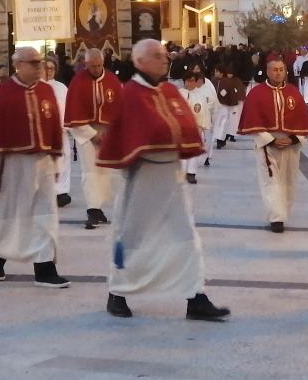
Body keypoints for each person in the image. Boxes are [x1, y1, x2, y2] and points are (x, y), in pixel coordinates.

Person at [97, 39, 230, 321]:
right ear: (139, 62)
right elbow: (123, 136)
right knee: (130, 237)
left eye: (164, 55)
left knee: (186, 236)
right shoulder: (130, 94)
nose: (164, 59)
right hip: (141, 177)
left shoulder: (170, 91)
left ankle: (196, 296)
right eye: (157, 56)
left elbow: (184, 125)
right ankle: (117, 292)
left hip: (171, 175)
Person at [0, 46, 69, 288]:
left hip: (43, 164)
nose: (39, 68)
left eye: (40, 63)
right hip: (10, 165)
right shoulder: (2, 93)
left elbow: (54, 128)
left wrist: (56, 161)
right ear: (18, 65)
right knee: (5, 216)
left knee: (45, 216)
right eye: (34, 63)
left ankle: (45, 269)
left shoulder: (46, 91)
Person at [237, 59, 308, 233]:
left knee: (289, 180)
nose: (278, 73)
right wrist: (270, 140)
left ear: (286, 71)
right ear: (267, 72)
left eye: (281, 70)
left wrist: (293, 139)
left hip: (290, 144)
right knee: (270, 180)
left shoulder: (294, 92)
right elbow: (253, 120)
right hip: (267, 143)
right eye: (274, 70)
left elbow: (302, 120)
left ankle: (283, 212)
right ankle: (276, 218)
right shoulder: (256, 93)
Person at [64, 47, 123, 230]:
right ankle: (92, 209)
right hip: (86, 132)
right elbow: (74, 114)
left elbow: (120, 110)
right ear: (86, 64)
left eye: (99, 65)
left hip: (108, 133)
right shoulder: (78, 82)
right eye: (92, 66)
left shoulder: (112, 80)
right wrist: (92, 134)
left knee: (106, 171)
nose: (96, 69)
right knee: (90, 171)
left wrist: (111, 133)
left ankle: (99, 207)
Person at [42, 57, 74, 208]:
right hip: (43, 132)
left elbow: (68, 107)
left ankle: (61, 192)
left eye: (51, 68)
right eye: (46, 68)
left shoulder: (61, 88)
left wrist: (66, 124)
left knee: (63, 160)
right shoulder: (37, 87)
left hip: (60, 131)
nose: (49, 71)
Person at [178, 72, 214, 184]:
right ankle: (181, 173)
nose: (190, 83)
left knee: (193, 151)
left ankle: (191, 173)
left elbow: (204, 112)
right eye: (188, 81)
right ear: (184, 82)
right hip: (182, 129)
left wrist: (202, 125)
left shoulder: (201, 95)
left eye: (193, 80)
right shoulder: (178, 94)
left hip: (196, 128)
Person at [213, 65, 245, 150]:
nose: (215, 73)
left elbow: (231, 94)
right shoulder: (214, 81)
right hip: (216, 106)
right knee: (217, 124)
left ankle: (221, 140)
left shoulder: (227, 82)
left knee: (223, 124)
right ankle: (219, 139)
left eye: (217, 71)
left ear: (221, 73)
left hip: (224, 106)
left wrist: (232, 104)